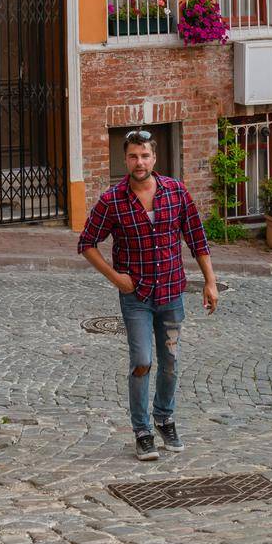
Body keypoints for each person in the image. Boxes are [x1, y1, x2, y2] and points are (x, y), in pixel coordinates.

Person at [77, 128, 218, 460]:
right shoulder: (113, 200)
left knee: (170, 362)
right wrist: (116, 278)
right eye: (132, 156)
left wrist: (210, 281)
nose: (138, 162)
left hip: (171, 292)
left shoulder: (176, 192)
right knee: (142, 361)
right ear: (125, 159)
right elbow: (86, 244)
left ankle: (164, 418)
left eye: (144, 155)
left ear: (154, 158)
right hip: (136, 296)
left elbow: (196, 238)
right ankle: (141, 430)